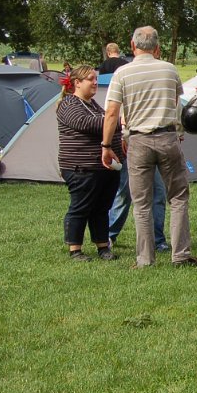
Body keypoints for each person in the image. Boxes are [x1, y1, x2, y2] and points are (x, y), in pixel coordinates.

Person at [101, 26, 197, 268]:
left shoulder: (122, 73)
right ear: (157, 48)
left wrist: (106, 144)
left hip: (137, 140)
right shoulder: (169, 69)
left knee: (141, 201)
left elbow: (112, 111)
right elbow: (177, 102)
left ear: (132, 46)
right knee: (177, 197)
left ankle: (145, 259)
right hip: (167, 138)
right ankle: (181, 254)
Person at [57, 65, 123, 261]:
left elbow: (105, 124)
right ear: (77, 83)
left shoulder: (92, 104)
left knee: (101, 207)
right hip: (80, 167)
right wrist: (122, 122)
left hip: (103, 167)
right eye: (90, 79)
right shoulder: (68, 104)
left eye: (95, 78)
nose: (95, 82)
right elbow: (89, 124)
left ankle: (103, 247)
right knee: (81, 207)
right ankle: (75, 249)